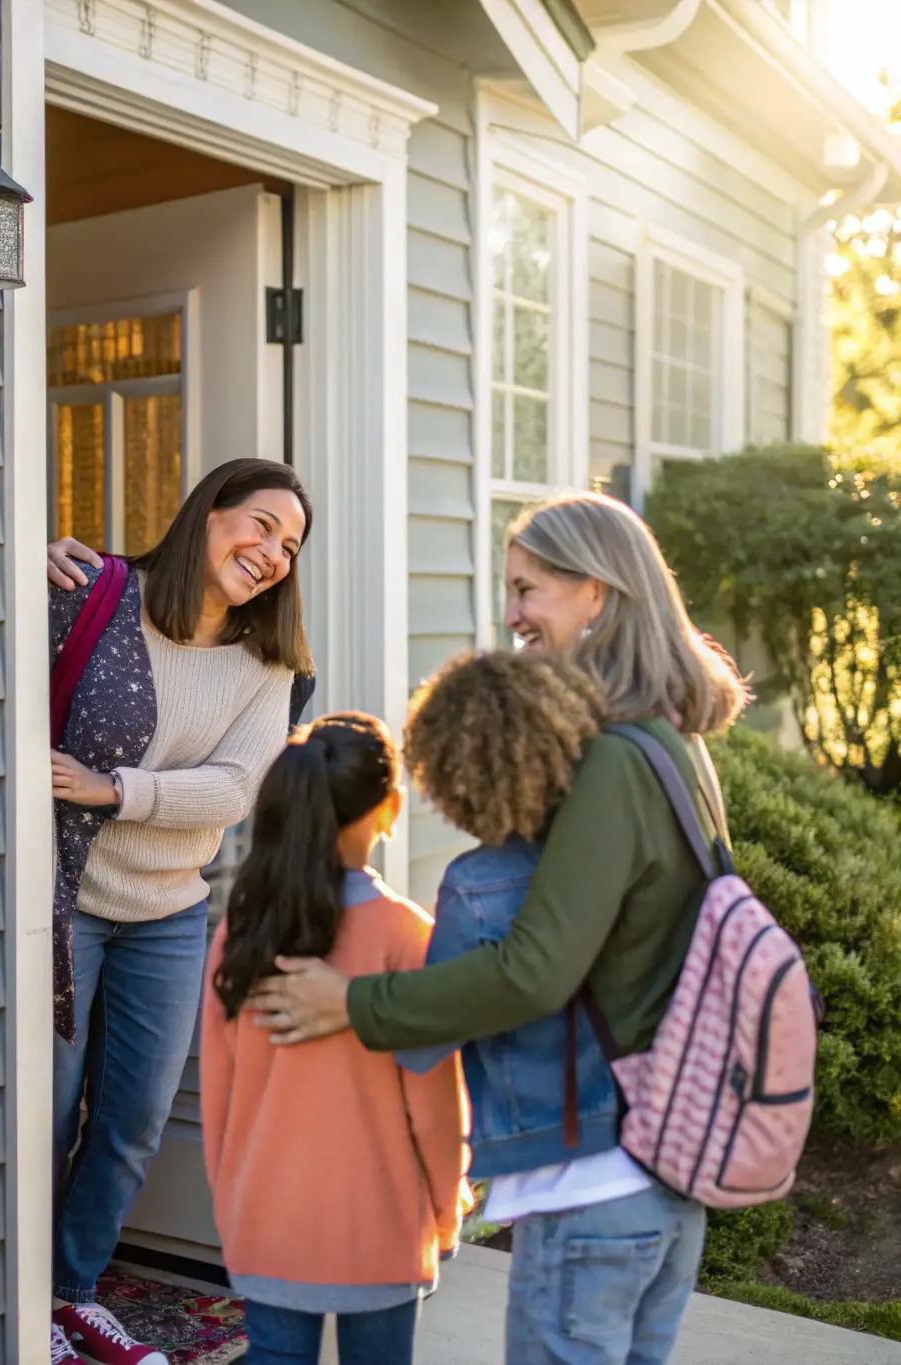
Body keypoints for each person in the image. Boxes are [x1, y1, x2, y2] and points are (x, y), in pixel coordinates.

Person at [247, 490, 747, 1365]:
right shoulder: (673, 739)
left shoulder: (619, 755)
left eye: (529, 589)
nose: (511, 613)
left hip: (600, 1181)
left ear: (597, 591)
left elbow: (534, 971)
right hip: (661, 1175)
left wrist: (353, 1003)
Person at [48, 458, 313, 1365]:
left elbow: (235, 787)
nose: (273, 551)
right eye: (261, 525)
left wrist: (112, 788)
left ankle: (75, 1291)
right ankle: (24, 1295)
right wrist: (23, 564)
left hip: (167, 913)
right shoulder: (95, 595)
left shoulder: (265, 665)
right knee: (45, 1112)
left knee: (131, 1119)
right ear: (209, 514)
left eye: (290, 544)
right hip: (65, 900)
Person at [200, 714, 470, 1365]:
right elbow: (435, 1105)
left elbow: (219, 1093)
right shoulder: (409, 937)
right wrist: (445, 1208)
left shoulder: (244, 931)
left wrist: (234, 1199)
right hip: (378, 1231)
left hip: (267, 1222)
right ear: (391, 808)